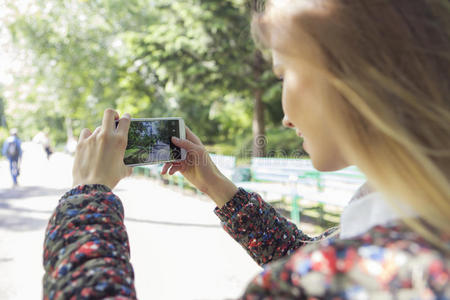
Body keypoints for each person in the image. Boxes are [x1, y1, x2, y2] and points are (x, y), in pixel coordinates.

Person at [43, 0, 449, 298]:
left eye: (283, 74)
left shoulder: (371, 273)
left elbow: (316, 271)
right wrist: (218, 186)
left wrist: (89, 198)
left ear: (356, 76)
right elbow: (309, 258)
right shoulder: (412, 219)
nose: (286, 118)